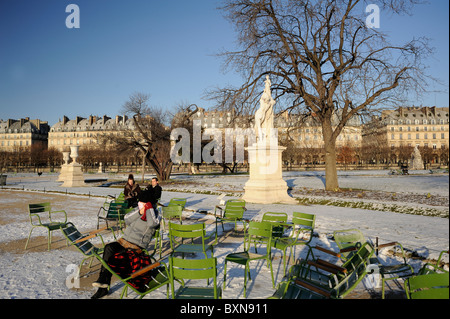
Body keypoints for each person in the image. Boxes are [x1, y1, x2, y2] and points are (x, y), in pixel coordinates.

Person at [91, 189, 161, 299]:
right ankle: (103, 283)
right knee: (109, 248)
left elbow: (152, 224)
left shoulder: (156, 215)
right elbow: (126, 219)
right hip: (123, 242)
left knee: (112, 258)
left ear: (148, 204)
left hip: (135, 247)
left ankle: (103, 286)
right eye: (140, 203)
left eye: (142, 203)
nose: (139, 204)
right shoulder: (139, 210)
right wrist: (139, 212)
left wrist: (149, 209)